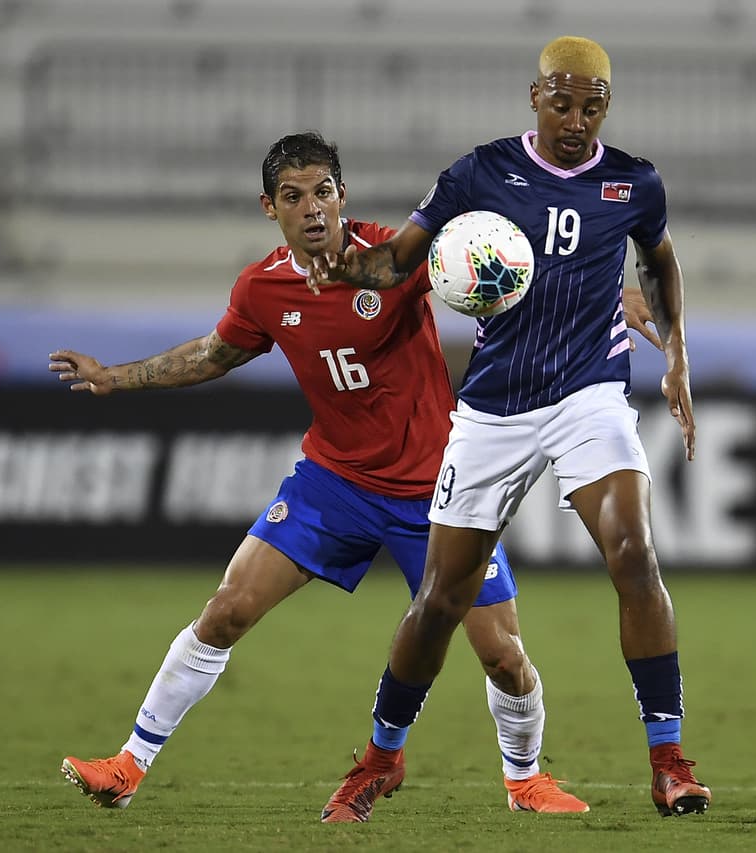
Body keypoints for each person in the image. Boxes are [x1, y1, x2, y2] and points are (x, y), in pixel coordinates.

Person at [49, 131, 606, 819]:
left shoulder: (395, 257)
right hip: (333, 483)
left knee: (501, 654)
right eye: (293, 196)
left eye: (322, 192)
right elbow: (212, 354)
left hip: (440, 490)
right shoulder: (262, 289)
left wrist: (610, 303)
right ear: (269, 207)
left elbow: (498, 265)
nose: (311, 208)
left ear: (343, 196)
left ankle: (524, 780)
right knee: (226, 610)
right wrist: (116, 378)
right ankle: (128, 766)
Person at [309, 36, 711, 821]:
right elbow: (398, 263)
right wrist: (342, 262)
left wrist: (677, 357)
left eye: (592, 106)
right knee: (441, 599)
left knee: (634, 548)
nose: (576, 120)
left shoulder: (633, 183)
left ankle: (668, 760)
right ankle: (381, 757)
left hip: (589, 393)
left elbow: (659, 262)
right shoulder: (481, 173)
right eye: (562, 102)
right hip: (494, 408)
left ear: (606, 107)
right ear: (535, 97)